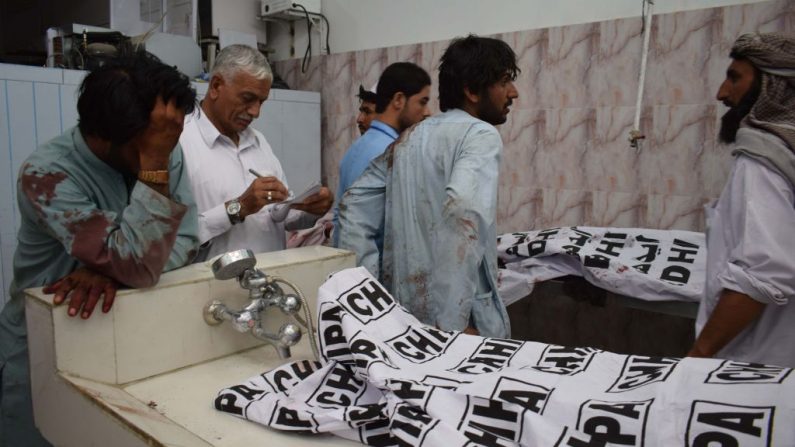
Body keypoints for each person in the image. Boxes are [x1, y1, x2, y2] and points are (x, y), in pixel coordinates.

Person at [0, 50, 199, 446]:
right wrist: (126, 262)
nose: (167, 153)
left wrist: (111, 266)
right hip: (45, 347)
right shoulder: (47, 174)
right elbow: (141, 263)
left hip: (119, 337)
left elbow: (187, 241)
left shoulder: (162, 151)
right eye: (156, 144)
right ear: (104, 135)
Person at [337, 35, 519, 338]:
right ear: (472, 91)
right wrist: (452, 324)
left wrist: (371, 302)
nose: (513, 93)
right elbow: (463, 213)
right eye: (504, 81)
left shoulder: (410, 137)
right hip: (461, 326)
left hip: (403, 320)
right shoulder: (480, 135)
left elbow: (353, 207)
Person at [688, 33, 795, 367]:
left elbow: (763, 273)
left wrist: (698, 356)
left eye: (734, 78)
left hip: (758, 359)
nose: (722, 92)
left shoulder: (763, 159)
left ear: (773, 86)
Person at [180, 44, 333, 259]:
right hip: (212, 286)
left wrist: (308, 209)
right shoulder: (181, 142)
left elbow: (277, 217)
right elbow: (173, 238)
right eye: (247, 99)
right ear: (215, 86)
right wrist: (238, 208)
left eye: (261, 102)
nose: (256, 112)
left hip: (269, 282)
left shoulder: (258, 141)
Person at [333, 62, 431, 246]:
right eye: (422, 102)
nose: (427, 112)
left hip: (352, 268)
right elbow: (362, 230)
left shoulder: (357, 148)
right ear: (399, 100)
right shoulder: (390, 153)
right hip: (373, 270)